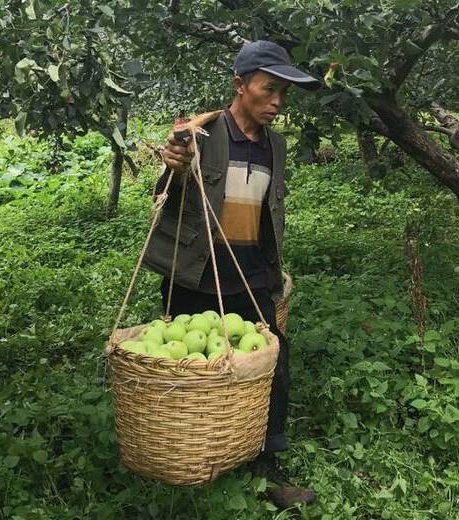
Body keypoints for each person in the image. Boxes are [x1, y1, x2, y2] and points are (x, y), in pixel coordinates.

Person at [143, 40, 321, 509]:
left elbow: (269, 216)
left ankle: (267, 465)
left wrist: (273, 271)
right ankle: (191, 458)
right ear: (240, 86)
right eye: (270, 89)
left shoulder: (274, 146)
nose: (278, 102)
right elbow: (170, 181)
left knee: (270, 366)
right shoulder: (201, 133)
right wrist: (174, 160)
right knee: (190, 371)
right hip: (196, 273)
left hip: (250, 276)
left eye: (285, 92)